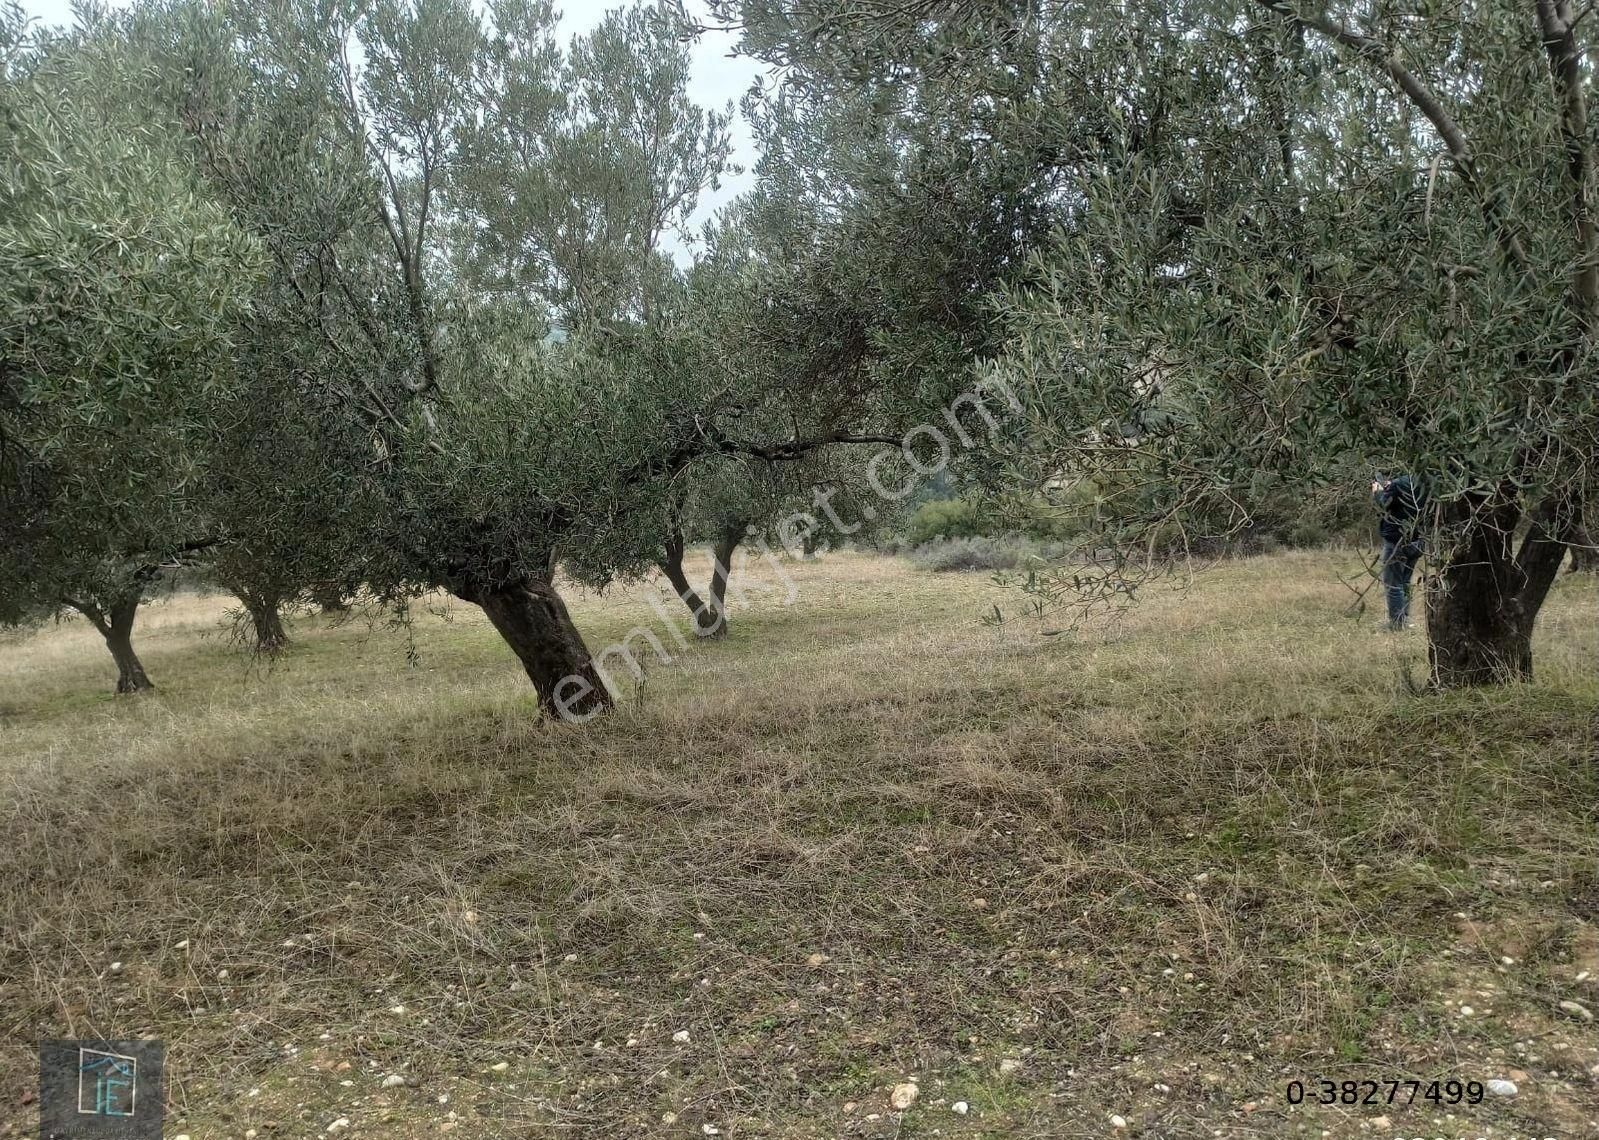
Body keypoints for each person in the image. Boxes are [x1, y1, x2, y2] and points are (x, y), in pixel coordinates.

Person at [1371, 474, 1426, 631]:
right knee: (1405, 581)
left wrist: (1377, 492)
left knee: (1393, 584)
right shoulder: (1425, 483)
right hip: (1418, 540)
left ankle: (1397, 624)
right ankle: (1405, 619)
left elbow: (1383, 504)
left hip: (1397, 542)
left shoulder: (1399, 484)